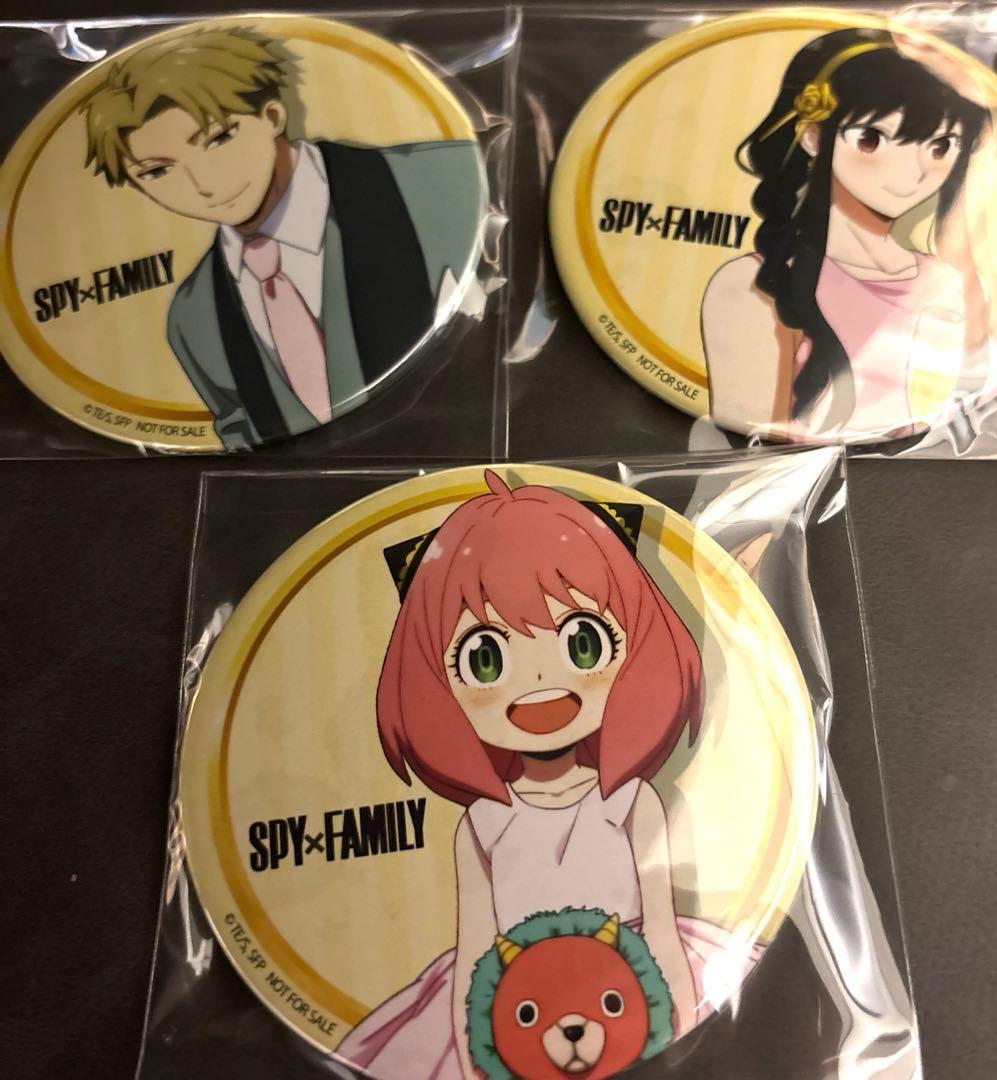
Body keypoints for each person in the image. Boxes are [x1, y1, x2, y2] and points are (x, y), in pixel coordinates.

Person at [337, 472, 760, 1078]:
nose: (538, 682)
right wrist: (475, 1062)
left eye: (583, 644)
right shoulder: (482, 824)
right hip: (516, 997)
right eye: (486, 659)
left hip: (629, 980)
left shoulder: (629, 801)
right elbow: (476, 954)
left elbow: (662, 933)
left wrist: (672, 1031)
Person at [82, 26, 484, 447]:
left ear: (272, 116)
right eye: (157, 171)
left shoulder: (441, 179)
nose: (204, 184)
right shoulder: (193, 317)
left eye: (219, 137)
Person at [702, 29, 990, 440]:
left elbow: (958, 401)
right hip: (795, 476)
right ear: (813, 136)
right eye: (872, 139)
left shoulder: (943, 284)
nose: (911, 172)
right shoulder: (751, 285)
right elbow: (749, 432)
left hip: (906, 471)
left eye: (941, 146)